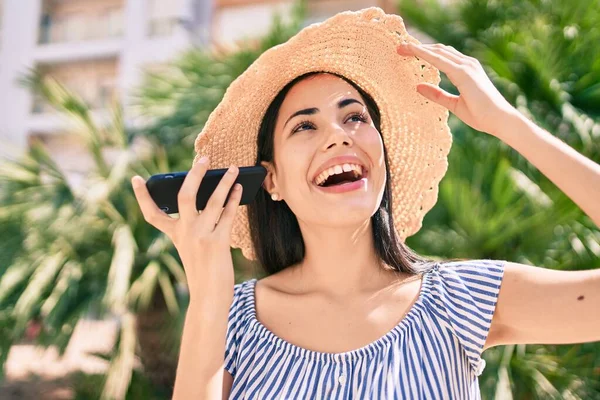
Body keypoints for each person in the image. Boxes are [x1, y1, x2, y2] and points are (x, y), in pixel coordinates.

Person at [130, 7, 600, 400]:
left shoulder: (460, 299)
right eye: (305, 126)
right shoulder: (230, 324)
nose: (338, 135)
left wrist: (510, 125)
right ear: (270, 180)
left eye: (354, 117)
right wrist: (210, 291)